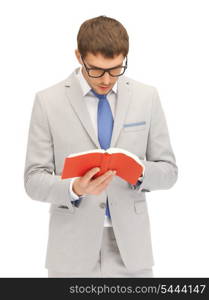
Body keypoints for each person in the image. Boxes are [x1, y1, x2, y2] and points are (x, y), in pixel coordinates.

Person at [24, 15, 178, 278]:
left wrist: (139, 171)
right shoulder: (47, 101)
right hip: (70, 250)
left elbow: (169, 171)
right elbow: (33, 180)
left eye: (116, 69)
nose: (107, 79)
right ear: (78, 56)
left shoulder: (147, 97)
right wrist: (73, 188)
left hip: (132, 251)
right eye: (96, 69)